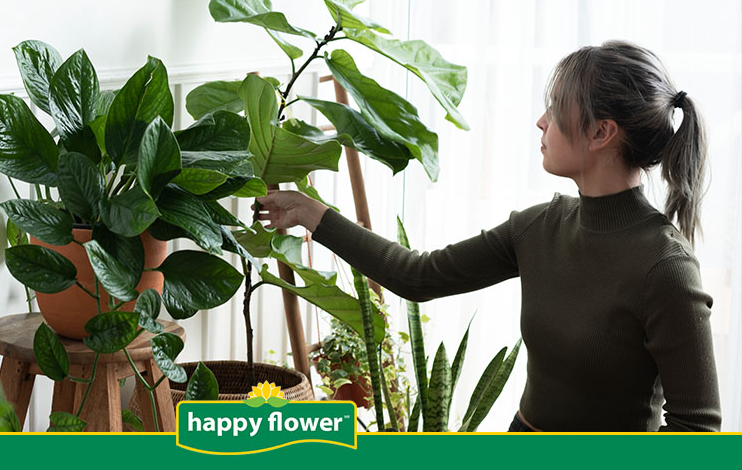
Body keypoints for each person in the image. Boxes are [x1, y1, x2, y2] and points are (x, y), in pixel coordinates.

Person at [254, 40, 721, 432]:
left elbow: (696, 431)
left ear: (602, 132)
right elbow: (418, 276)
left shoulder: (664, 267)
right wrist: (311, 213)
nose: (541, 121)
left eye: (557, 108)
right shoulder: (538, 227)